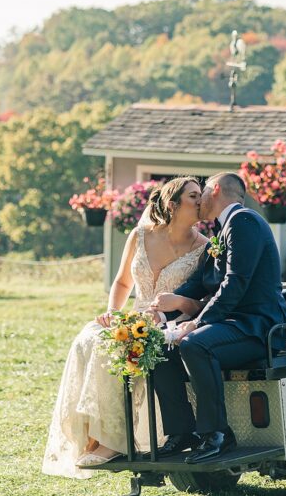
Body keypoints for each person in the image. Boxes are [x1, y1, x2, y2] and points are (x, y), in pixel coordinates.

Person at [42, 176, 209, 478]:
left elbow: (201, 302)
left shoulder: (204, 248)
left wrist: (175, 310)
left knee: (131, 345)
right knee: (91, 336)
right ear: (173, 204)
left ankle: (113, 441)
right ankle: (96, 434)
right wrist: (111, 313)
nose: (201, 200)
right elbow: (122, 282)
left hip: (172, 324)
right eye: (194, 195)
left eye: (202, 195)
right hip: (135, 317)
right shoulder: (140, 235)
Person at [149, 172, 286, 463]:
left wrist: (198, 323)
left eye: (200, 192)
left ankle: (217, 434)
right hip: (231, 325)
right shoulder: (221, 233)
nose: (197, 199)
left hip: (257, 326)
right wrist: (163, 312)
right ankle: (181, 433)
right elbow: (199, 283)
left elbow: (235, 283)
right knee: (160, 349)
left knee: (195, 344)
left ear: (214, 191)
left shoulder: (244, 221)